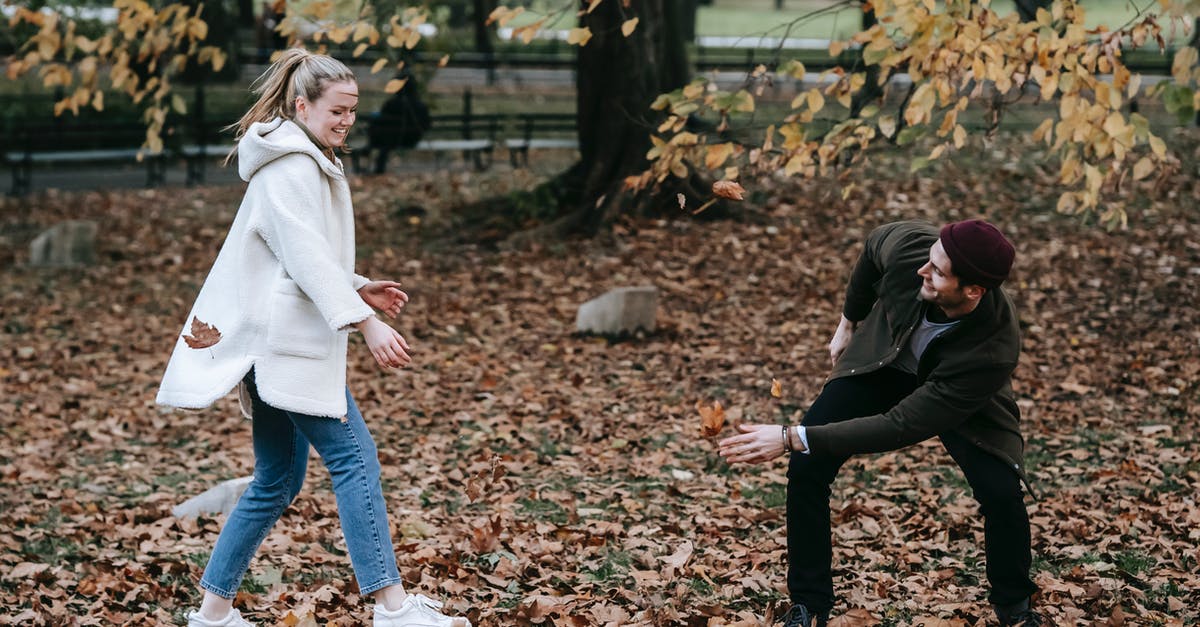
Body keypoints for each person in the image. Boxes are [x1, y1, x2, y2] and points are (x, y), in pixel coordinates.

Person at [156, 48, 470, 627]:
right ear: (302, 105)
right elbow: (302, 259)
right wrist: (366, 321)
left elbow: (298, 256)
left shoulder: (303, 159)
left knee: (277, 480)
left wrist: (359, 287)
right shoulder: (290, 167)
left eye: (353, 110)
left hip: (282, 347)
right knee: (356, 461)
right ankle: (393, 609)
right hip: (283, 349)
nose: (347, 121)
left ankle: (213, 613)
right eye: (337, 110)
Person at [718, 220, 1041, 627]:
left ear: (973, 291)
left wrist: (789, 436)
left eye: (938, 272)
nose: (923, 271)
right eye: (929, 260)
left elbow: (901, 424)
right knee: (808, 465)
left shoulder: (991, 349)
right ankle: (809, 604)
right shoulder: (913, 251)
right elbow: (874, 247)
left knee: (1001, 492)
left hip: (955, 388)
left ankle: (1014, 607)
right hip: (883, 361)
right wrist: (848, 321)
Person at [365, 71, 431, 174]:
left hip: (390, 140)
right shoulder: (420, 106)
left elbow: (381, 120)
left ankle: (370, 150)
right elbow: (426, 125)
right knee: (388, 133)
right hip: (412, 139)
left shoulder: (392, 104)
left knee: (383, 131)